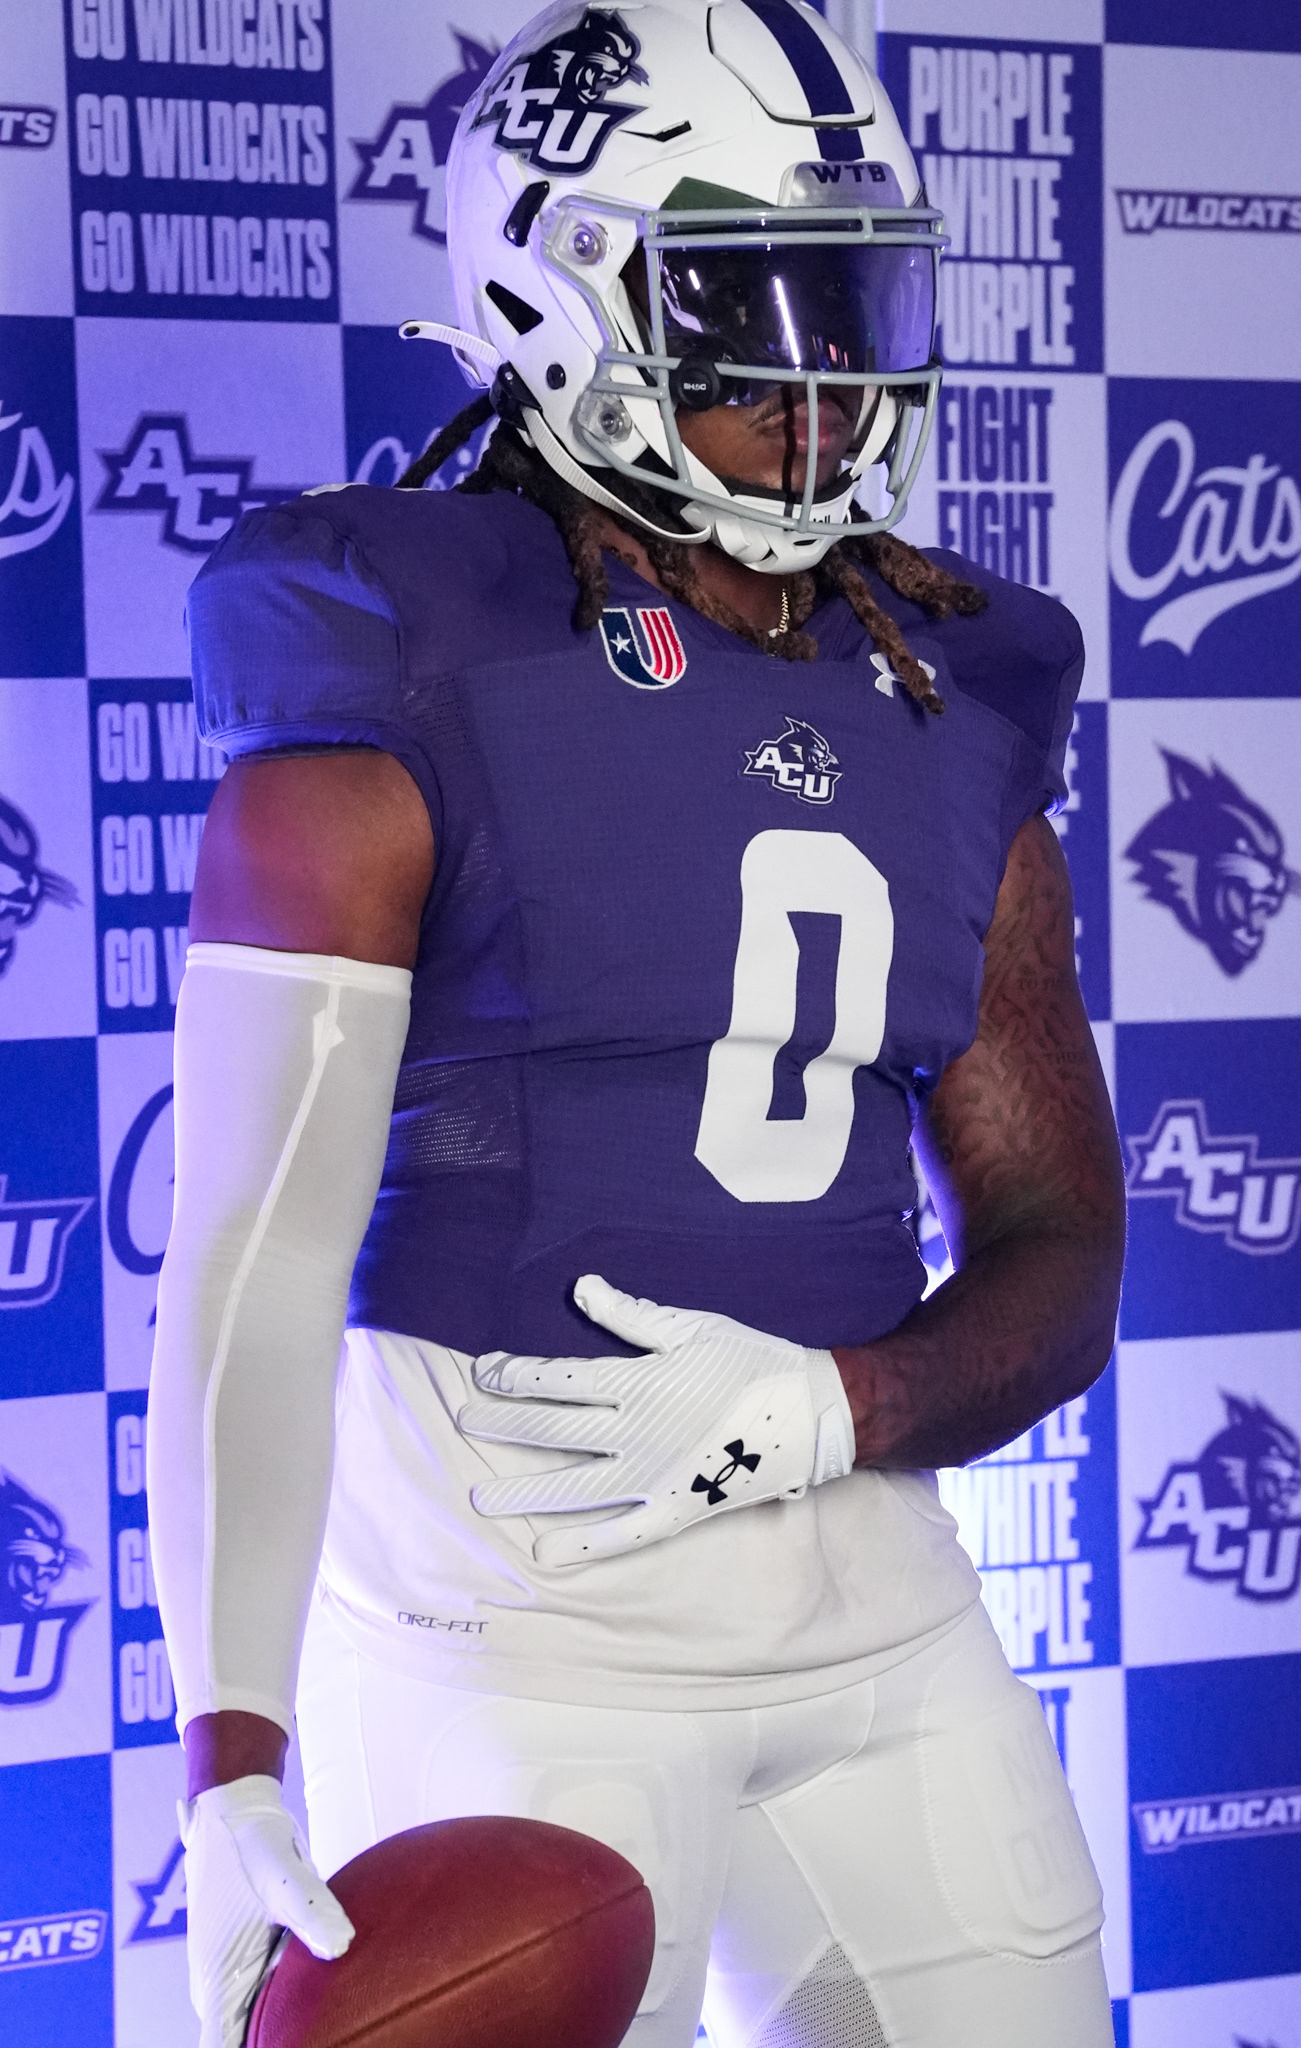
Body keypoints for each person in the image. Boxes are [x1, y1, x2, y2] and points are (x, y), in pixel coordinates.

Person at [147, 2, 1126, 2045]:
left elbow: (1062, 1248)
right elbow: (251, 1259)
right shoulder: (409, 649)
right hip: (507, 1614)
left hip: (874, 1590)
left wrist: (845, 1406)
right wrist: (229, 1746)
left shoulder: (951, 680)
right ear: (558, 290)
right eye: (748, 306)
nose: (821, 379)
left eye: (852, 302)